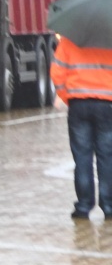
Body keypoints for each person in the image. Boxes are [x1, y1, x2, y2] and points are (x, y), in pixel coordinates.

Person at [52, 36, 112, 220]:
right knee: (107, 156)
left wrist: (66, 96)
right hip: (106, 105)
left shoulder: (69, 40)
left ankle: (84, 206)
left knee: (82, 157)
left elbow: (57, 73)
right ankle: (109, 206)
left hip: (78, 104)